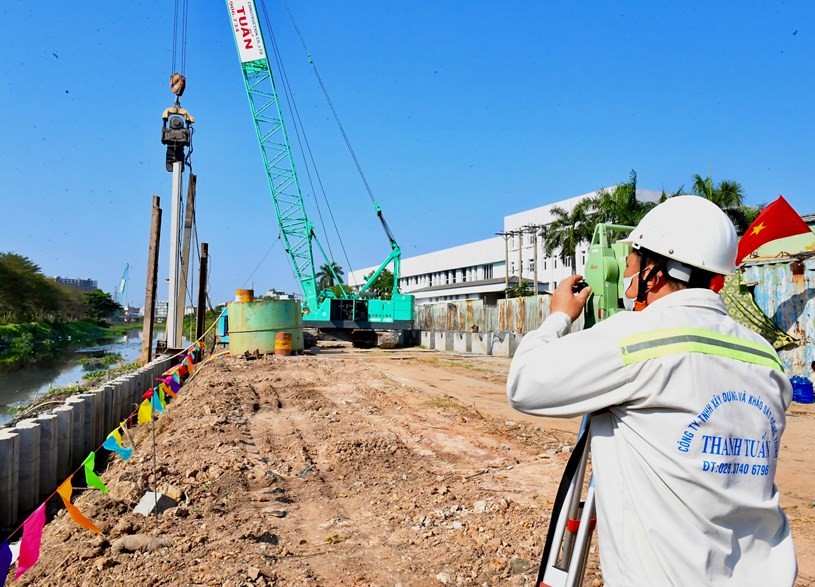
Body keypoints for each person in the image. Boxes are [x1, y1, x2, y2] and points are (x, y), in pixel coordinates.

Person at [507, 196, 797, 586]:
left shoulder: (636, 337)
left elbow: (525, 383)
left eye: (632, 262)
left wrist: (559, 316)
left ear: (655, 274)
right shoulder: (766, 357)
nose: (626, 273)